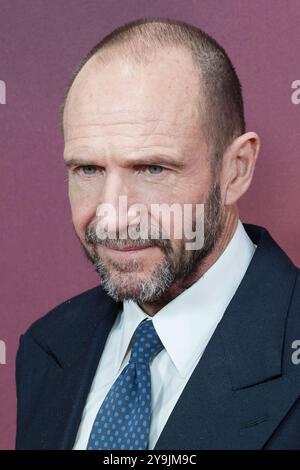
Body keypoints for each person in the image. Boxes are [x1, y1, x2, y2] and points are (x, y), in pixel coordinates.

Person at [15, 18, 300, 450]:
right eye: (87, 169)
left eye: (152, 169)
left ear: (237, 168)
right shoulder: (47, 347)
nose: (113, 214)